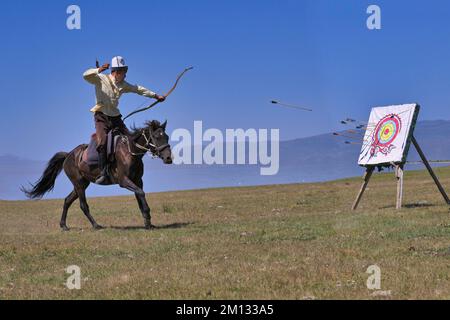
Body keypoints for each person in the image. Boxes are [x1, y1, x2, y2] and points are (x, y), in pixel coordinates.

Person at [83, 56, 165, 184]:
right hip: (101, 117)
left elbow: (138, 89)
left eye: (125, 72)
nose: (125, 75)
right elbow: (85, 75)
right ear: (116, 72)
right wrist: (98, 69)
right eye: (123, 72)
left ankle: (131, 168)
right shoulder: (100, 79)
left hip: (116, 118)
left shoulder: (123, 85)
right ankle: (104, 172)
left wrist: (155, 96)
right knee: (102, 142)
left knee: (131, 139)